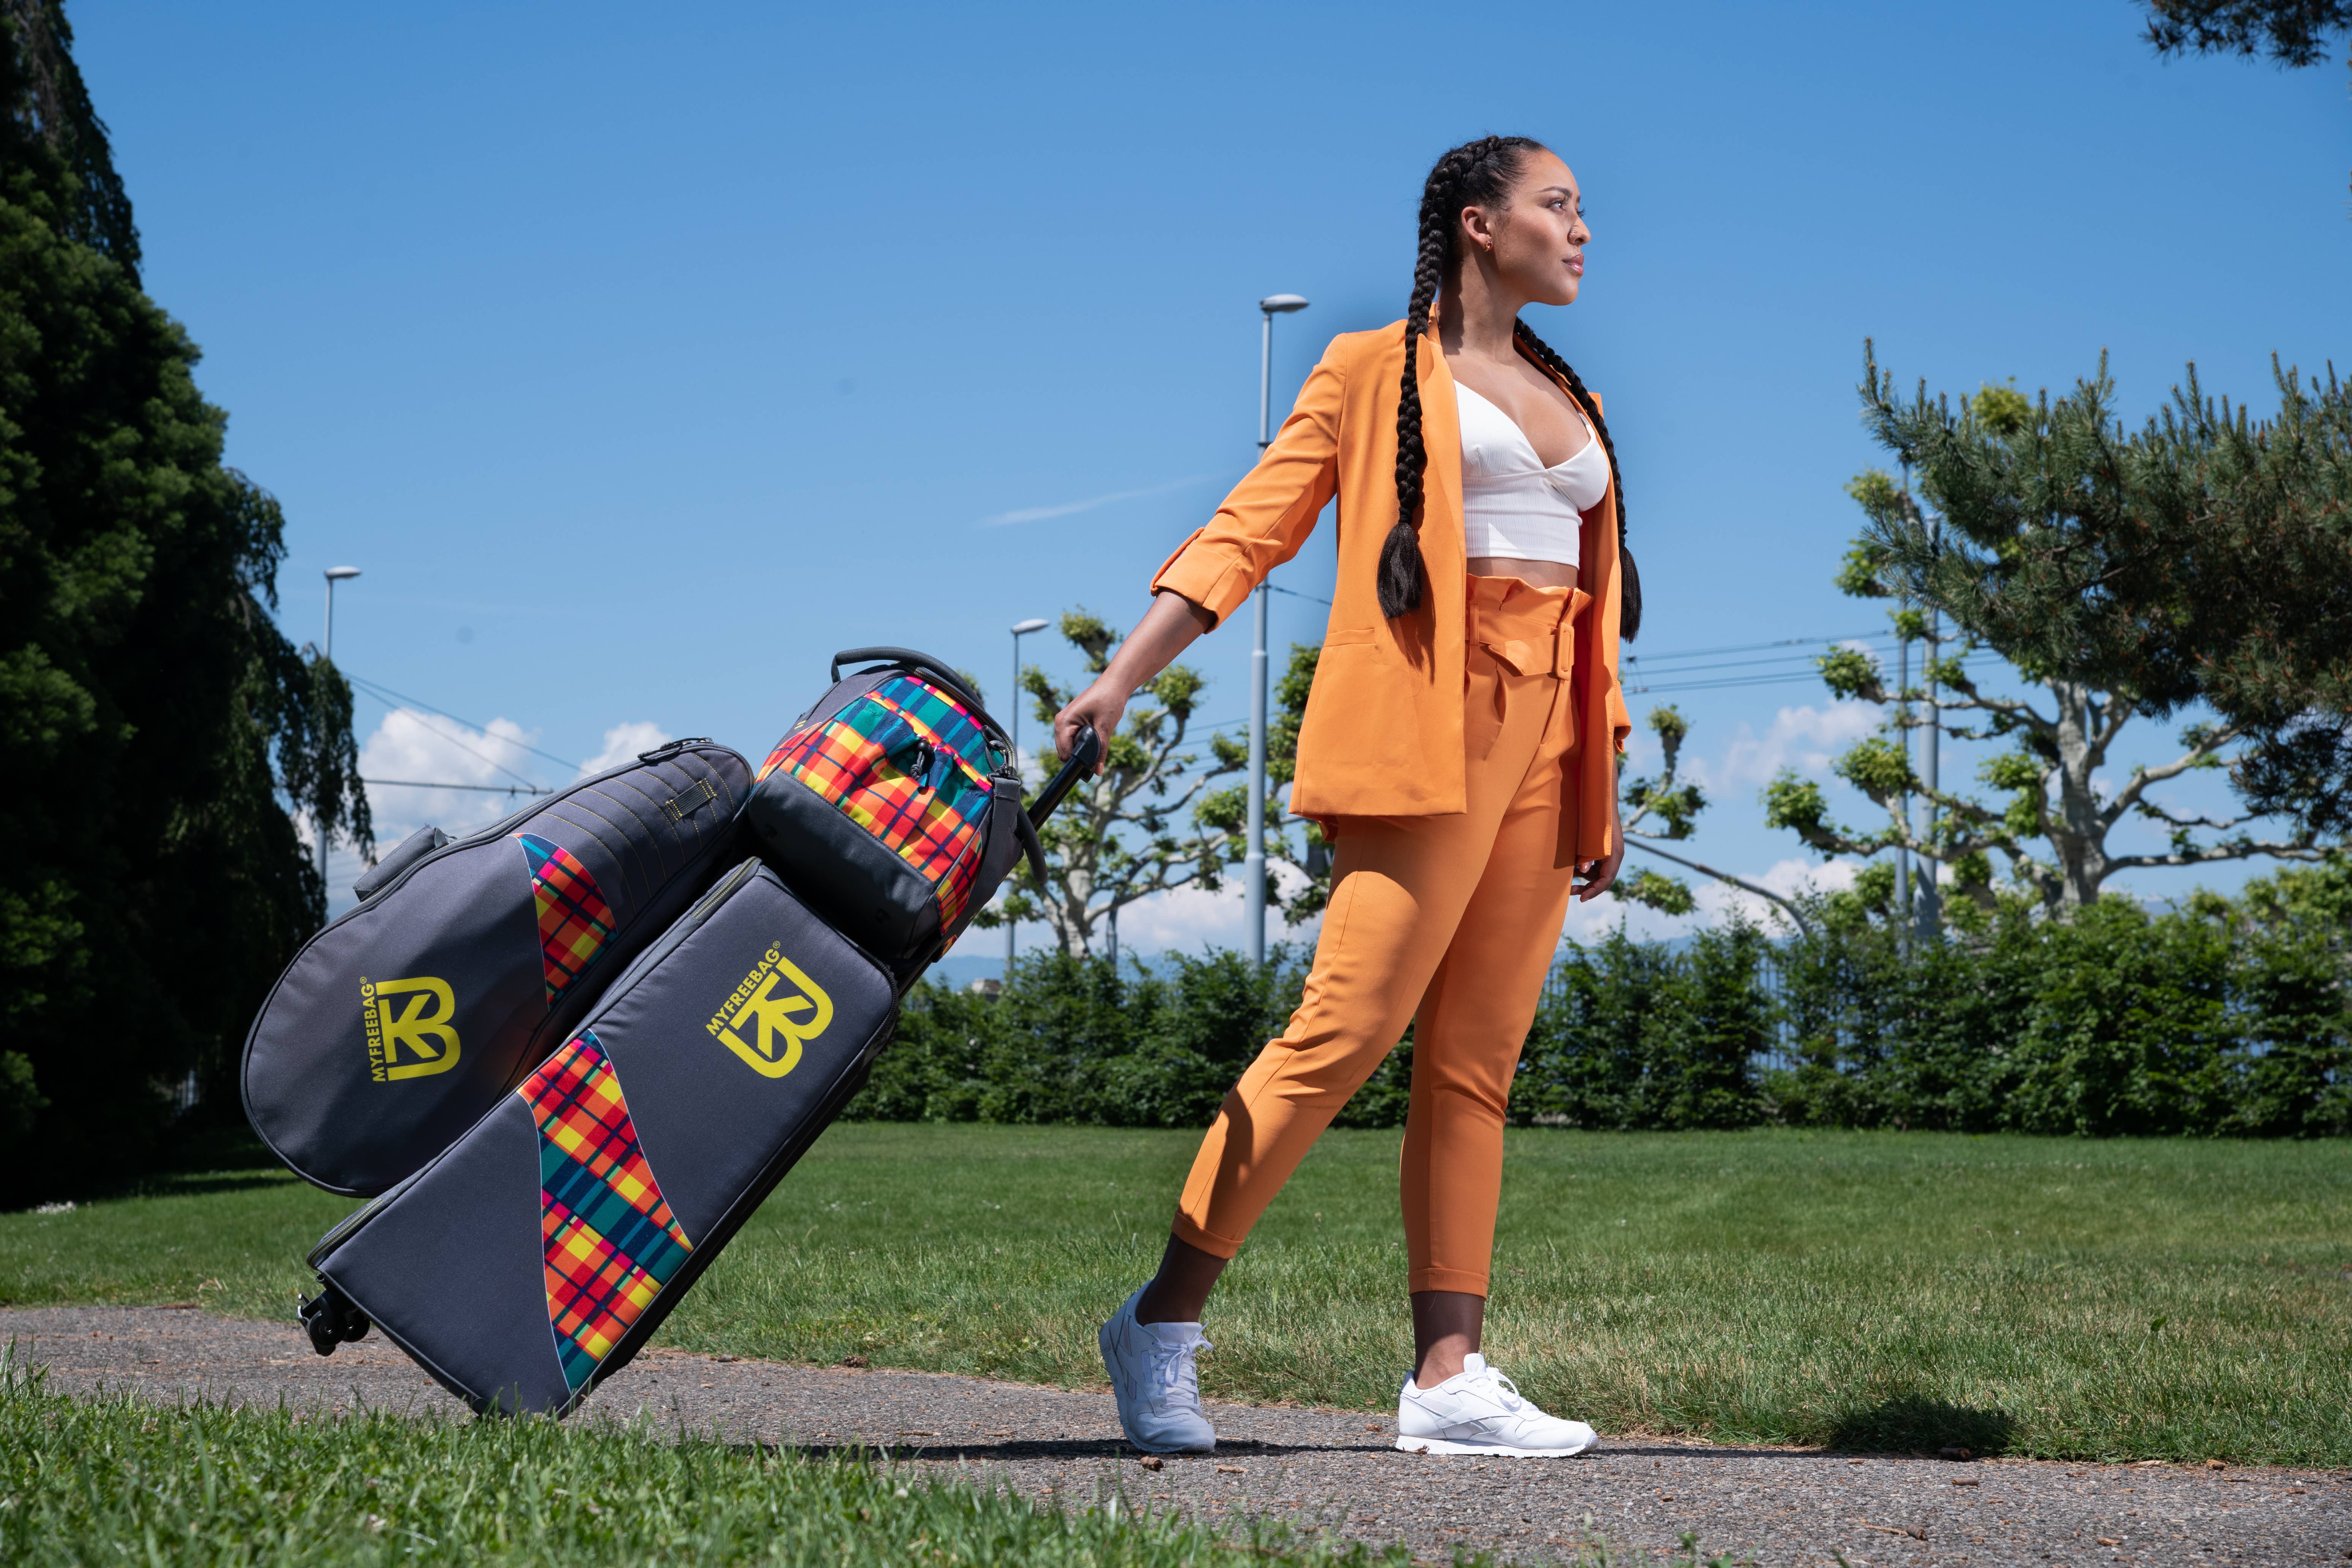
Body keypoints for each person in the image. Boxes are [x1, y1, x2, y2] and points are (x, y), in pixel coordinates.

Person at [1052, 135, 1639, 1460]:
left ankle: (1448, 1378)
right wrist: (1123, 677)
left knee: (1477, 1063)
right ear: (1481, 224)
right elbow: (1251, 525)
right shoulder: (1372, 371)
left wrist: (1601, 766)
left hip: (1550, 748)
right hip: (1428, 732)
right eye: (1559, 206)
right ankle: (1160, 1321)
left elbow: (1594, 610)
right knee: (1343, 1031)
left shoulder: (1576, 391)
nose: (1583, 230)